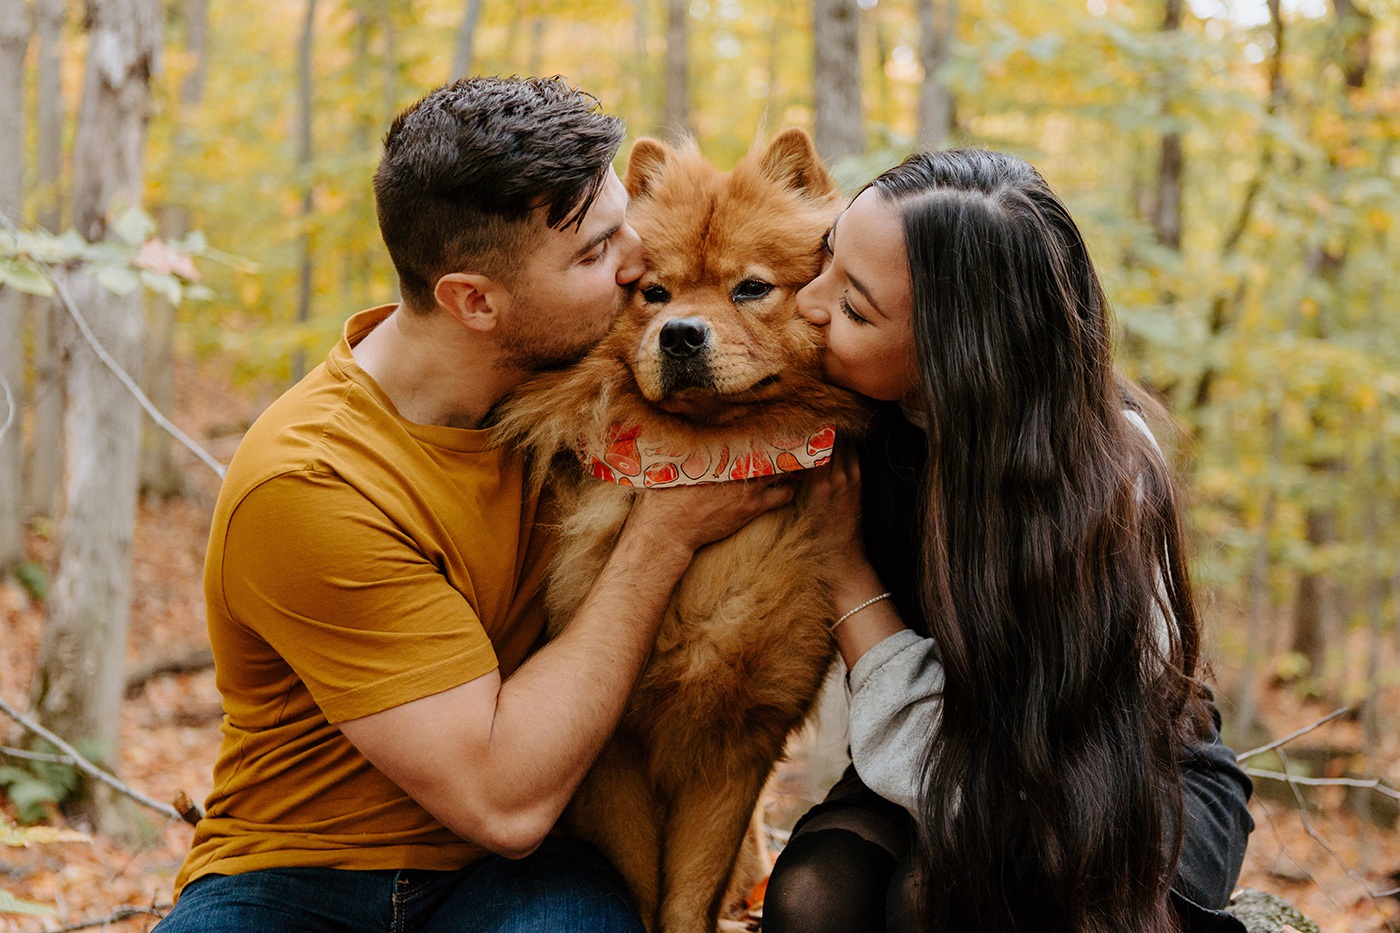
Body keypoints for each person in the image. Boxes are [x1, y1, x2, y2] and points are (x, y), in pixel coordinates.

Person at [154, 77, 793, 933]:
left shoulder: (566, 396)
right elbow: (500, 799)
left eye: (620, 226)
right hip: (302, 869)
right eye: (595, 253)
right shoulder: (313, 482)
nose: (640, 264)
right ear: (474, 301)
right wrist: (663, 536)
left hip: (512, 875)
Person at [767, 149, 1254, 933]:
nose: (808, 305)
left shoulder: (1103, 474)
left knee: (937, 906)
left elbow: (1025, 785)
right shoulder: (862, 420)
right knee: (812, 900)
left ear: (957, 358)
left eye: (856, 309)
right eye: (825, 258)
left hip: (1111, 772)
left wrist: (844, 565)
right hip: (926, 746)